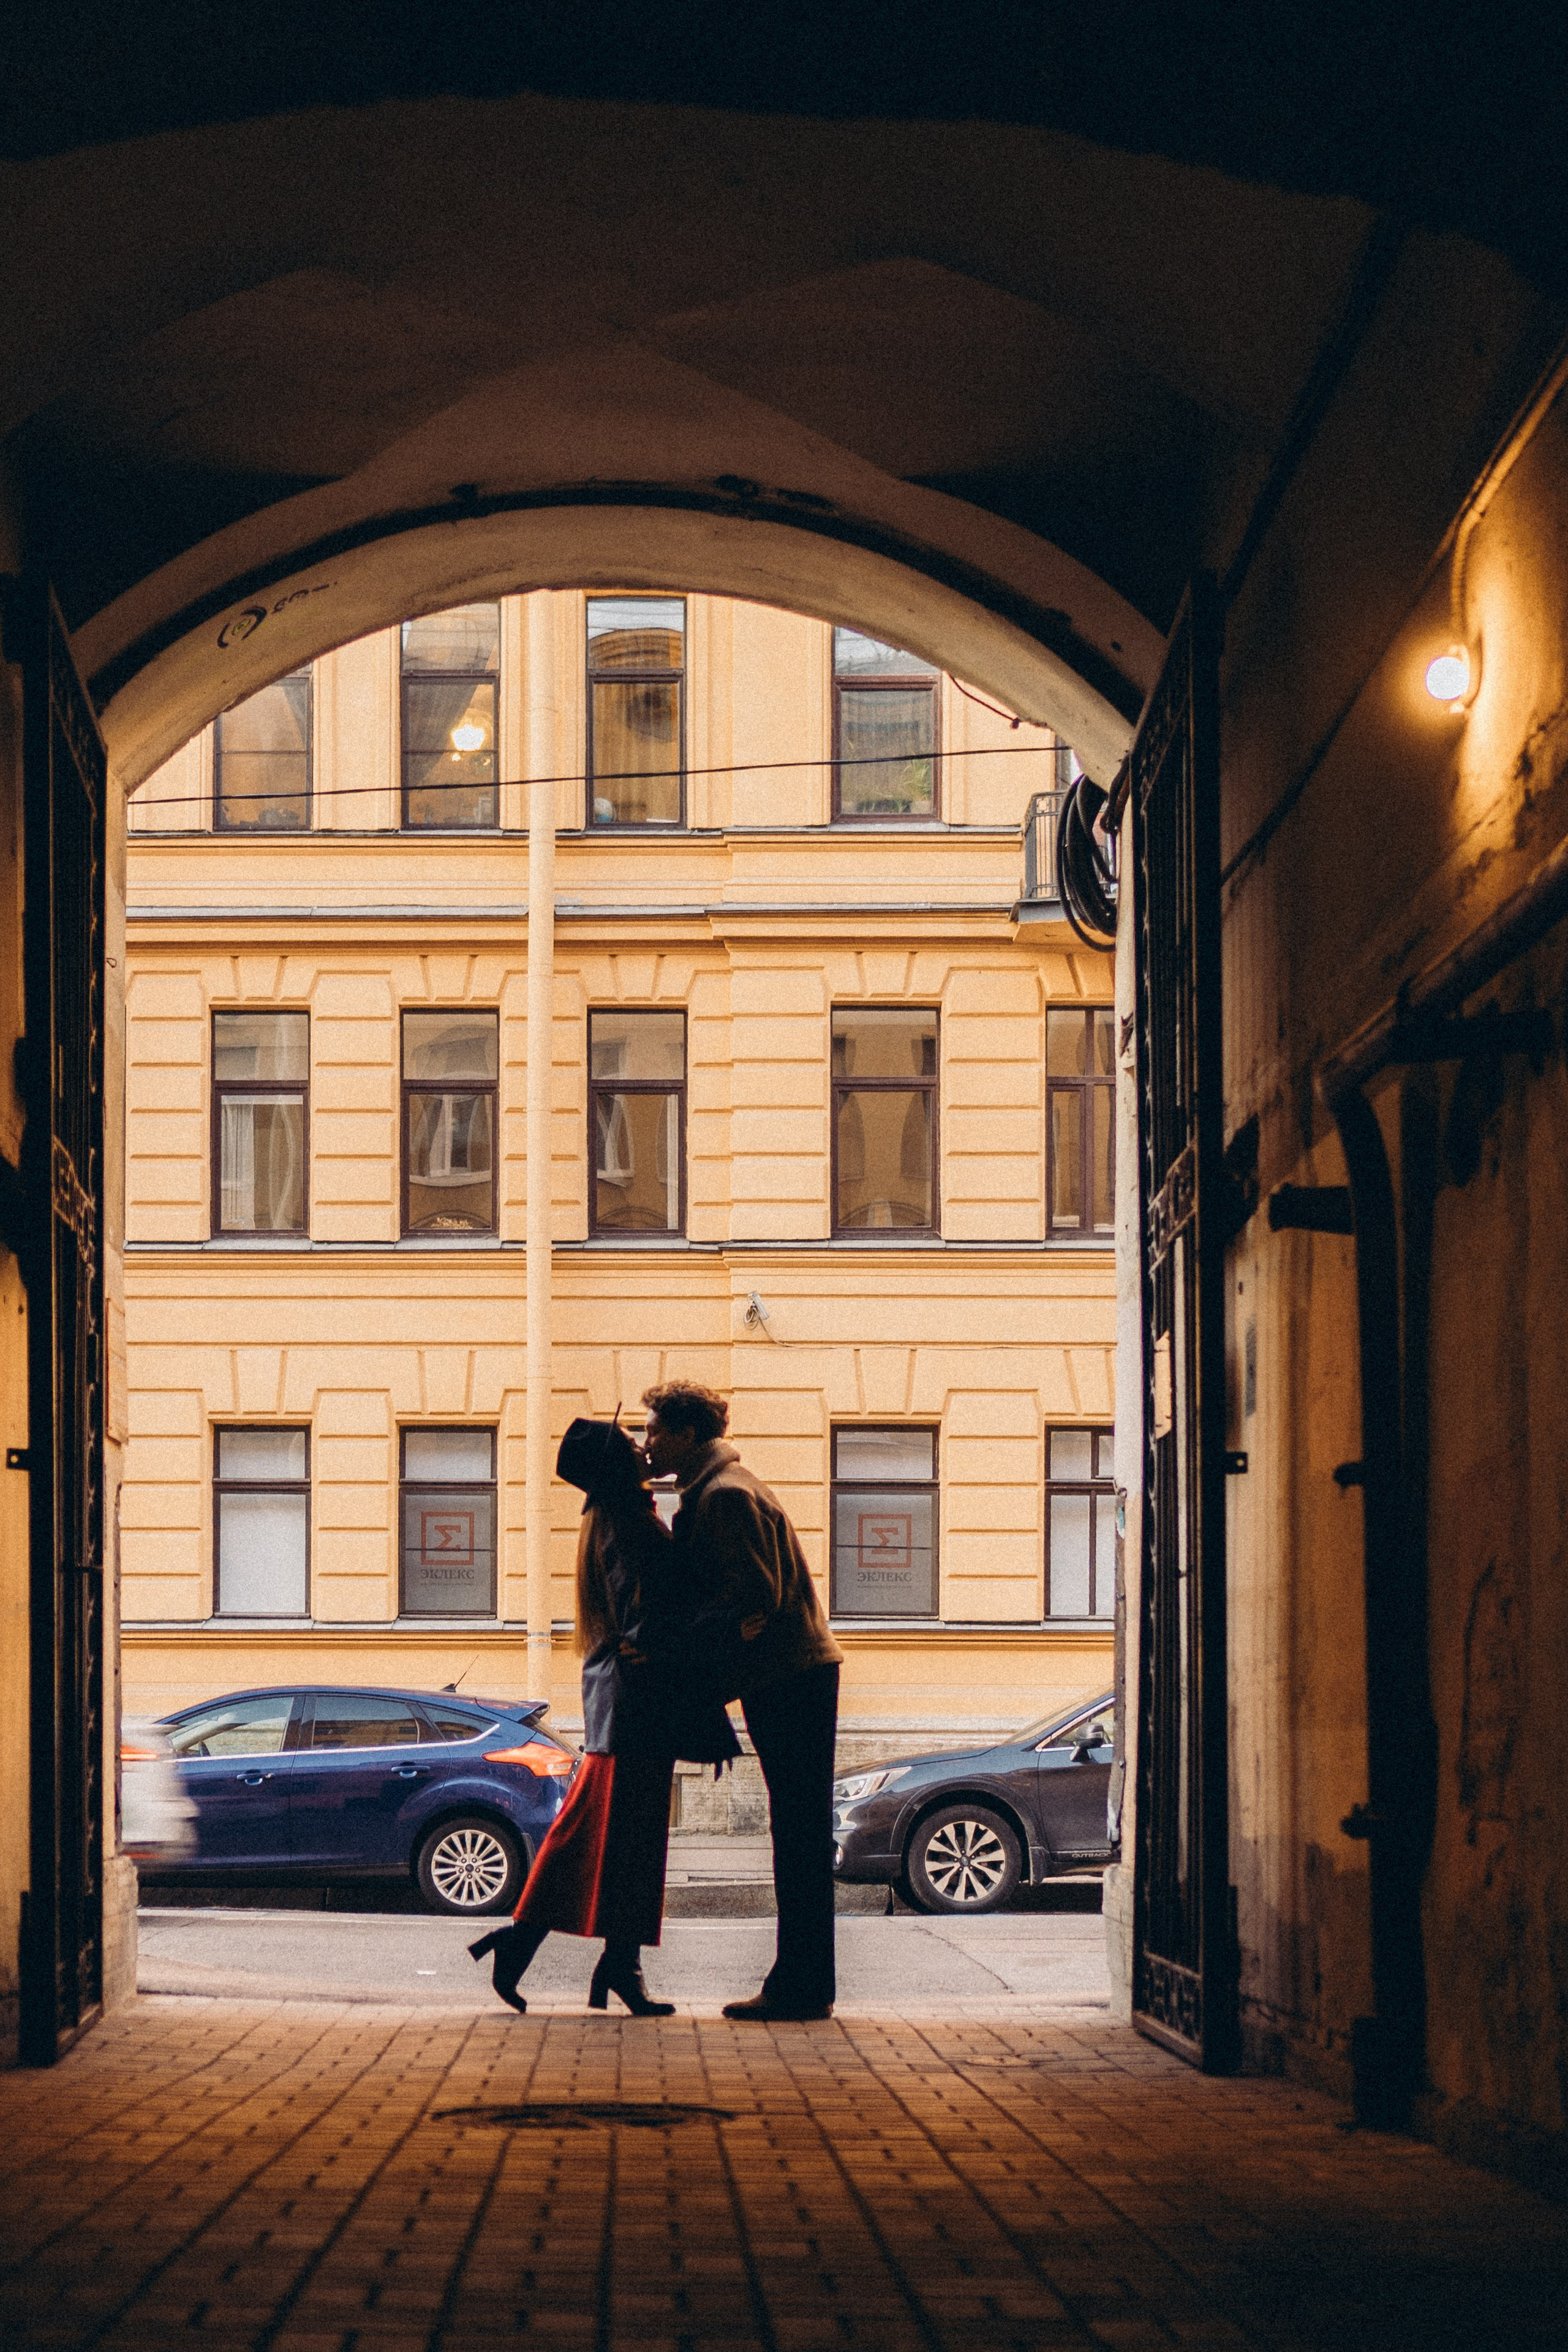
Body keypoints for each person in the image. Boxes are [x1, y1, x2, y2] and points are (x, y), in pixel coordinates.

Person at [469, 1415, 739, 2016]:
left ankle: (590, 1960)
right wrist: (699, 1705)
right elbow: (647, 1623)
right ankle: (592, 1962)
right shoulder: (630, 1523)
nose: (643, 1449)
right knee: (625, 1846)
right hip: (636, 1708)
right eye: (630, 1445)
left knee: (603, 1843)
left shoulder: (610, 1518)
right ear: (616, 1466)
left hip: (620, 1707)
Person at [640, 1379, 843, 2022]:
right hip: (792, 1673)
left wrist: (693, 1660)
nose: (646, 1444)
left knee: (798, 1833)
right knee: (799, 1830)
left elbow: (754, 1596)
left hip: (788, 1676)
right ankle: (804, 1981)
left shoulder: (724, 1497)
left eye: (655, 1432)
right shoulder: (722, 1488)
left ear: (688, 1434)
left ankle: (800, 1986)